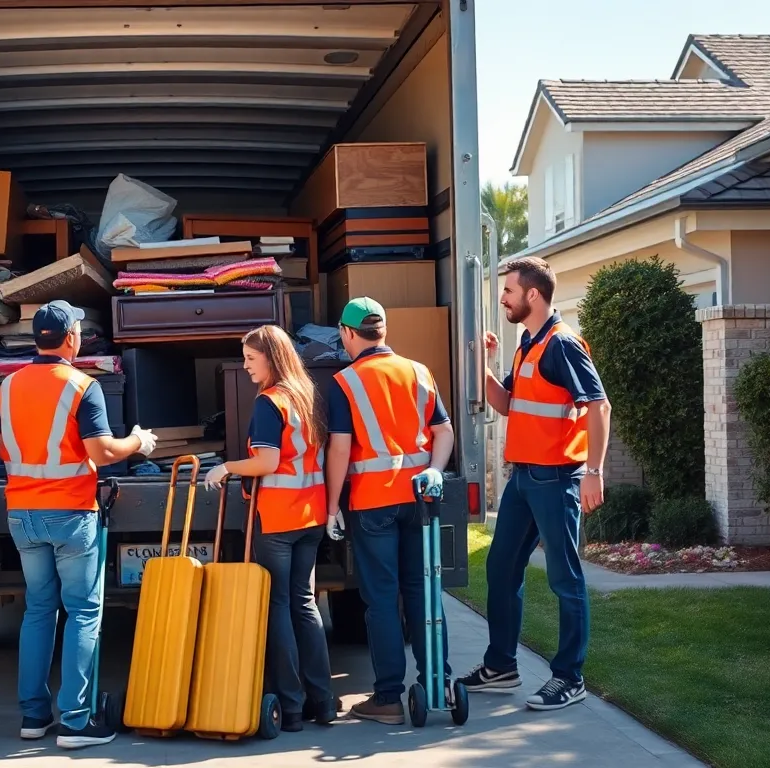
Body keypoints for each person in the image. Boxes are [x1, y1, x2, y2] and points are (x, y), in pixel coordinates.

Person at [0, 300, 157, 750]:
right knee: (83, 613)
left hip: (22, 514)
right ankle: (76, 721)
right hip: (71, 513)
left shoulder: (7, 386)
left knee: (38, 611)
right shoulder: (82, 386)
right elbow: (103, 452)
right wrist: (139, 442)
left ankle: (33, 716)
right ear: (70, 339)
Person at [459, 255, 610, 712]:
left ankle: (568, 677)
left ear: (533, 295)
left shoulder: (562, 345)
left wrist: (593, 471)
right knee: (501, 568)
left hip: (557, 478)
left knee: (566, 579)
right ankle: (501, 666)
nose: (502, 297)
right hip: (523, 478)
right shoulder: (528, 343)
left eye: (507, 290)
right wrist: (482, 365)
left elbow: (599, 407)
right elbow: (506, 404)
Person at [322, 297, 455, 726]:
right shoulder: (419, 371)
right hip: (420, 500)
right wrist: (435, 469)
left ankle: (387, 698)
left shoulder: (345, 381)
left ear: (346, 333)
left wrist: (331, 506)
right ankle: (440, 683)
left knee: (381, 599)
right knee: (421, 592)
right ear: (383, 330)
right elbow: (444, 430)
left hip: (373, 503)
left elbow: (340, 448)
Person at [203, 324, 336, 732]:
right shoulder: (307, 396)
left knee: (279, 605)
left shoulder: (269, 403)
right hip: (310, 516)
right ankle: (324, 702)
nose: (245, 367)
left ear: (271, 358)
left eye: (250, 359)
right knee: (304, 603)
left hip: (278, 519)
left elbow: (266, 463)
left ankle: (291, 707)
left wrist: (226, 467)